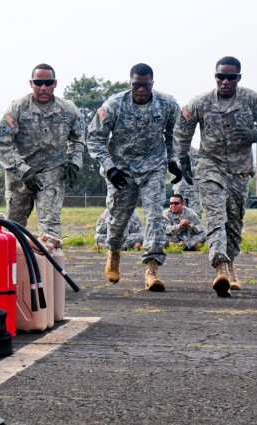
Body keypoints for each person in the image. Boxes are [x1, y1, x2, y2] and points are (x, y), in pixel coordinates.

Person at [174, 56, 257, 297]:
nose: (225, 81)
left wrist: (256, 133)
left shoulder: (251, 99)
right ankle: (220, 266)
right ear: (215, 77)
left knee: (234, 223)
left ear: (238, 78)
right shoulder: (200, 102)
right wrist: (182, 159)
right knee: (215, 217)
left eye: (230, 77)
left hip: (239, 170)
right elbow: (182, 129)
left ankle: (230, 265)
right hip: (210, 166)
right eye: (220, 76)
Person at [88, 63, 181, 292]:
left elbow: (175, 134)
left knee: (156, 216)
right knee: (118, 219)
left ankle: (152, 268)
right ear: (130, 83)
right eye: (136, 85)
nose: (141, 90)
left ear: (152, 83)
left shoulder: (167, 104)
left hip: (153, 167)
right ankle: (114, 252)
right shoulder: (113, 105)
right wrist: (109, 167)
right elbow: (95, 138)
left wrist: (173, 160)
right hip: (121, 169)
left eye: (145, 85)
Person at [0, 63, 86, 241]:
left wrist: (75, 162)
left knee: (50, 225)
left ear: (55, 84)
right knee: (14, 225)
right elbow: (2, 144)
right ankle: (16, 266)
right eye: (38, 83)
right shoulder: (17, 109)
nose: (43, 87)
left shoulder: (68, 109)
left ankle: (50, 266)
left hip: (51, 172)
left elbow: (78, 137)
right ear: (31, 83)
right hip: (20, 174)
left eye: (48, 82)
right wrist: (23, 170)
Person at [172, 146, 203, 219]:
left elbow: (200, 169)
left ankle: (194, 230)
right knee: (179, 214)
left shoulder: (197, 153)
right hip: (179, 189)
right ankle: (181, 230)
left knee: (195, 215)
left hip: (193, 189)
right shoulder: (175, 153)